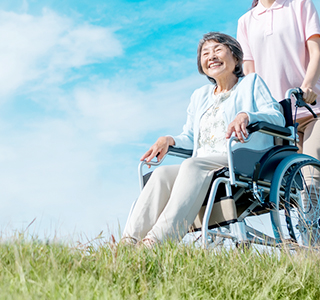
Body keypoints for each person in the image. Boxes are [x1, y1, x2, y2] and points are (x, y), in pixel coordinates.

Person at [121, 32, 283, 246]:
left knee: (191, 165)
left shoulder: (251, 83)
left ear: (235, 57)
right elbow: (190, 137)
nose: (211, 57)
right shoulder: (200, 96)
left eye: (218, 50)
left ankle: (155, 241)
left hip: (240, 159)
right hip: (202, 164)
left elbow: (277, 116)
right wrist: (168, 140)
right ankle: (128, 242)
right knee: (160, 174)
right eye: (205, 53)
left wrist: (247, 115)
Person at [235, 0, 320, 172]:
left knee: (313, 184)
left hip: (314, 109)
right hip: (277, 118)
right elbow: (250, 73)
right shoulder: (245, 22)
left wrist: (308, 86)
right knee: (288, 194)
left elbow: (317, 54)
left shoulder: (301, 5)